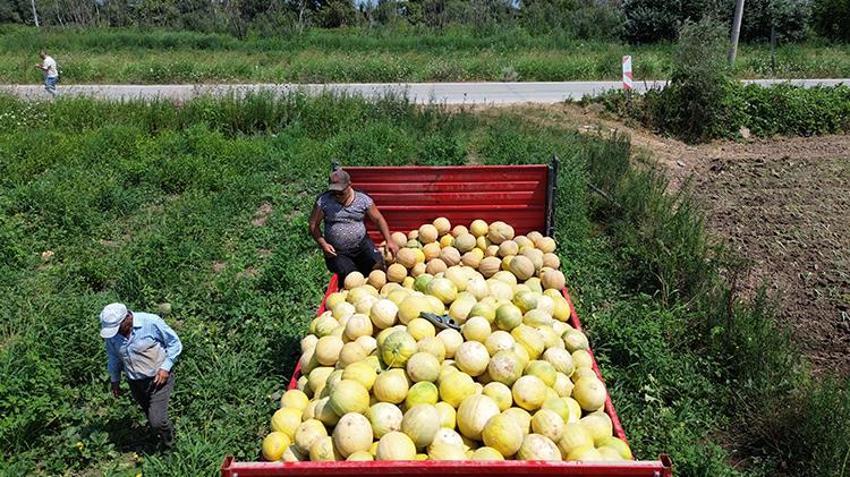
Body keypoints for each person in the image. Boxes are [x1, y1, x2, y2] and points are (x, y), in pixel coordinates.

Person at [100, 303, 182, 449]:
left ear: (127, 319)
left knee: (157, 420)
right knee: (149, 413)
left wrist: (165, 368)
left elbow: (174, 343)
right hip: (135, 381)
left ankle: (171, 446)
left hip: (159, 379)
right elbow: (113, 356)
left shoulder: (151, 322)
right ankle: (158, 437)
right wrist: (115, 379)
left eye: (118, 328)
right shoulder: (112, 335)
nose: (115, 332)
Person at [309, 168, 399, 279]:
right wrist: (323, 244)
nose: (337, 195)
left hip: (362, 245)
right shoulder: (324, 201)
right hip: (338, 251)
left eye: (341, 192)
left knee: (378, 268)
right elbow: (313, 225)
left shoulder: (363, 199)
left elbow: (378, 219)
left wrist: (389, 240)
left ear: (350, 184)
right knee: (352, 277)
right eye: (334, 192)